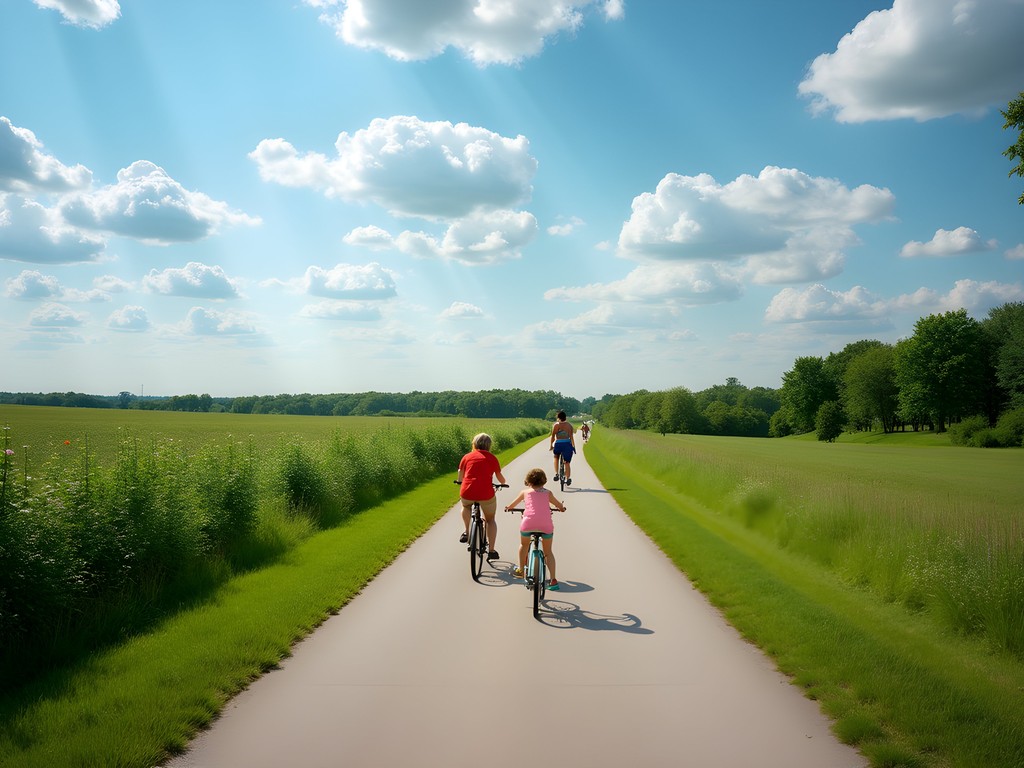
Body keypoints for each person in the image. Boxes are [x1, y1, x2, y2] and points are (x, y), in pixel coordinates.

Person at [505, 468, 566, 590]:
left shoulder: (525, 492)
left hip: (528, 524)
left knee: (524, 545)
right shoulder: (548, 493)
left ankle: (521, 569)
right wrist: (561, 508)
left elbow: (512, 505)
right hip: (546, 526)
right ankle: (553, 580)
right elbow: (558, 505)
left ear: (528, 482)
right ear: (544, 481)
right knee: (548, 552)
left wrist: (508, 507)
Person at [457, 433, 506, 561]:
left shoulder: (467, 457)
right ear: (489, 445)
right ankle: (491, 550)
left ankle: (467, 532)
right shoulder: (492, 458)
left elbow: (460, 474)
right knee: (490, 519)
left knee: (466, 506)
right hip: (486, 493)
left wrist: (459, 481)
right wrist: (503, 482)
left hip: (467, 491)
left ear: (474, 443)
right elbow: (499, 476)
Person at [549, 410, 576, 486]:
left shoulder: (556, 425)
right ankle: (568, 478)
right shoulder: (569, 426)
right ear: (565, 417)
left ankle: (556, 473)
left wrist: (551, 445)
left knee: (556, 457)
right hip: (567, 444)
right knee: (567, 462)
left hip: (558, 444)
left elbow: (553, 436)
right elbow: (571, 437)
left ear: (558, 417)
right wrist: (573, 446)